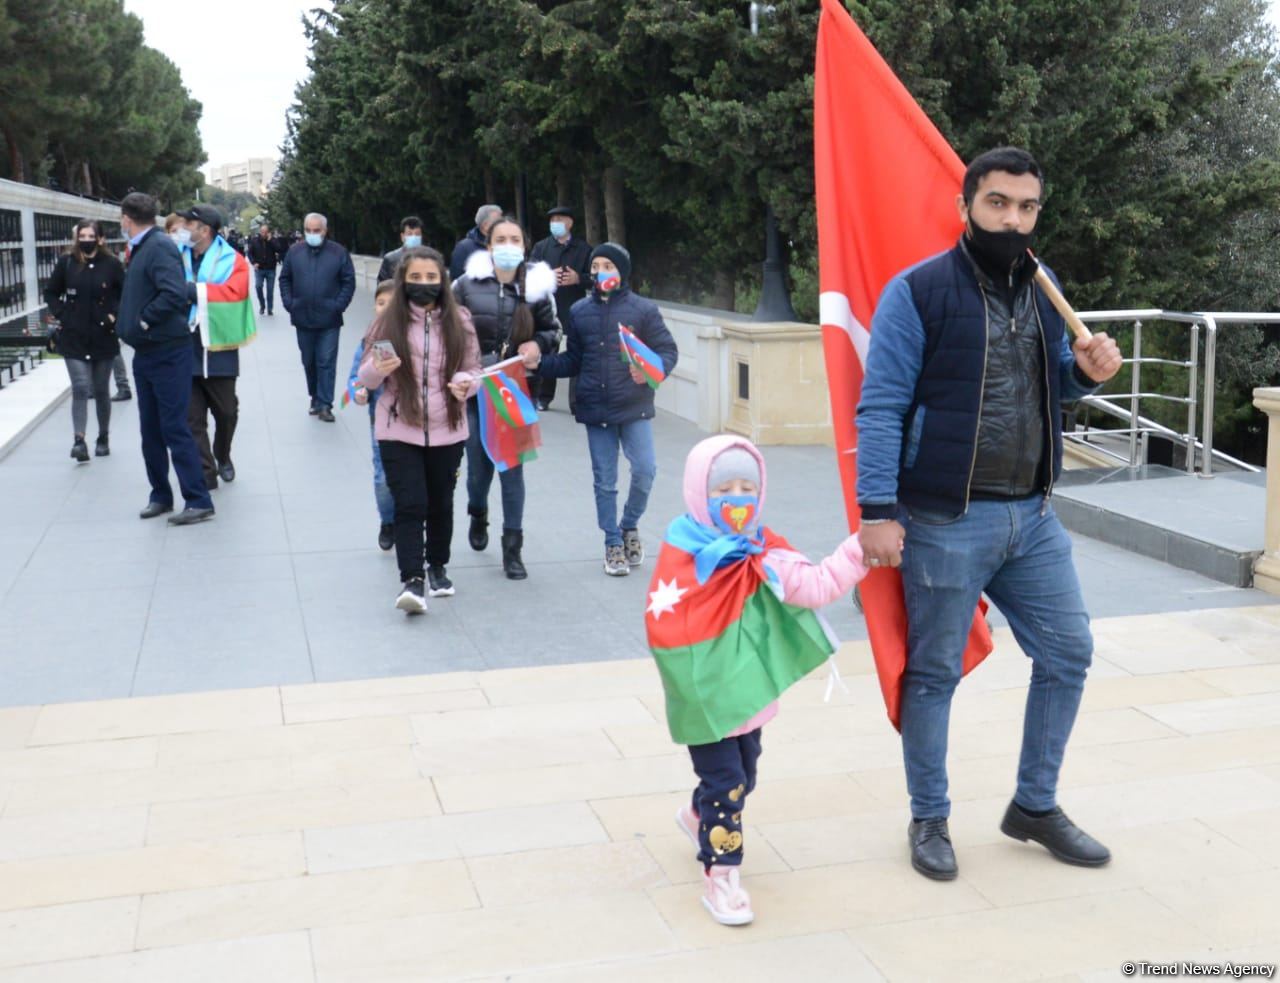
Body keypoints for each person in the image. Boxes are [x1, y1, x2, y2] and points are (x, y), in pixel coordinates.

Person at [855, 147, 1124, 881]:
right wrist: (876, 510)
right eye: (999, 202)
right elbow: (879, 407)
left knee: (1069, 651)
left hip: (1033, 517)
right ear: (965, 204)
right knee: (934, 672)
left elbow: (1048, 385)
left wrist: (1082, 371)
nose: (1013, 218)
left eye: (1027, 207)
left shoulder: (1044, 286)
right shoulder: (917, 293)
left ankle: (1034, 805)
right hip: (946, 517)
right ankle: (930, 816)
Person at [648, 435, 868, 926]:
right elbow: (666, 626)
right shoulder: (683, 550)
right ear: (700, 492)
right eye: (725, 487)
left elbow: (814, 586)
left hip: (748, 700)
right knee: (726, 787)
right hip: (707, 703)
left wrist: (857, 550)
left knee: (745, 776)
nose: (738, 498)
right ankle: (721, 876)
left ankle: (696, 814)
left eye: (748, 486)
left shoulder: (765, 551)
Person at [529, 243, 678, 577]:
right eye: (595, 266)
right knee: (605, 481)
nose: (599, 272)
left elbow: (667, 351)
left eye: (607, 265)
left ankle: (629, 526)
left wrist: (652, 370)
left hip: (635, 406)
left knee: (645, 471)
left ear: (622, 271)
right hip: (596, 409)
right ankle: (612, 541)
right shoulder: (580, 311)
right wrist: (540, 364)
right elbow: (573, 360)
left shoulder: (644, 310)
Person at [356, 247, 481, 612]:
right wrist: (380, 368)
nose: (424, 285)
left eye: (431, 278)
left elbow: (475, 370)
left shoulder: (460, 319)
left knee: (440, 502)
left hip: (448, 427)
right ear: (403, 281)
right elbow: (364, 375)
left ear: (442, 280)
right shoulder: (385, 323)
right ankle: (412, 580)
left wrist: (464, 383)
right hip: (398, 427)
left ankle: (437, 566)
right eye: (416, 278)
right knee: (410, 503)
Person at [453, 215, 561, 580]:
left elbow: (552, 331)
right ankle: (477, 511)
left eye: (516, 239)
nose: (509, 246)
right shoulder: (465, 286)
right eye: (502, 239)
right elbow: (448, 332)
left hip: (513, 390)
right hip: (474, 391)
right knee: (479, 470)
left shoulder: (535, 288)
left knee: (512, 473)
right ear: (489, 244)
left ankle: (512, 549)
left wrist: (537, 344)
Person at [114, 191, 214, 525]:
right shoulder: (144, 247)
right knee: (151, 428)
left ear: (127, 218)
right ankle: (160, 495)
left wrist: (143, 320)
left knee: (174, 426)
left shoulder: (157, 247)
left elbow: (173, 293)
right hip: (148, 352)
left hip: (167, 351)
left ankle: (198, 500)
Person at [178, 204, 249, 489]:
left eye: (189, 224)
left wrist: (193, 291)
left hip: (219, 345)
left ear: (204, 230)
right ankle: (206, 473)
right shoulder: (175, 254)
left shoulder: (233, 260)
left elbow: (235, 293)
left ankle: (223, 454)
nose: (183, 229)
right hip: (184, 346)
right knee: (192, 417)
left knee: (227, 411)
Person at [43, 219, 125, 462]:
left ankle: (103, 436)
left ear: (100, 239)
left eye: (91, 235)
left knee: (101, 390)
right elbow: (51, 292)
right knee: (80, 388)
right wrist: (62, 314)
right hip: (74, 335)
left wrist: (113, 315)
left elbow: (124, 292)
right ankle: (79, 440)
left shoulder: (111, 264)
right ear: (77, 238)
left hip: (103, 336)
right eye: (83, 235)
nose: (86, 240)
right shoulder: (66, 263)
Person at [279, 212, 356, 422]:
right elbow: (285, 278)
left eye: (317, 230)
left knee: (326, 361)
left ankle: (325, 404)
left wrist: (338, 305)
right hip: (302, 317)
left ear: (325, 230)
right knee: (309, 361)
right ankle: (314, 397)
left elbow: (348, 281)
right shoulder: (294, 252)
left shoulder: (338, 252)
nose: (313, 234)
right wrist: (290, 303)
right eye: (309, 230)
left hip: (329, 319)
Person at [346, 280, 398, 551]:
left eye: (392, 303)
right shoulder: (373, 341)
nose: (385, 309)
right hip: (381, 419)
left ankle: (408, 523)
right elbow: (355, 378)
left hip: (413, 420)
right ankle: (387, 521)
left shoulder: (418, 338)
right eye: (380, 303)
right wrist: (359, 391)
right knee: (383, 478)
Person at [529, 205, 593, 411]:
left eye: (559, 219)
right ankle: (544, 397)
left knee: (577, 353)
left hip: (575, 306)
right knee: (549, 352)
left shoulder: (584, 249)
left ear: (570, 223)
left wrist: (578, 279)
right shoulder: (541, 247)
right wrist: (548, 276)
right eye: (552, 220)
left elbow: (593, 278)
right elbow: (528, 273)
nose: (555, 224)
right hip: (548, 308)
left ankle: (577, 401)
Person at [449, 204, 502, 281]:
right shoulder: (464, 248)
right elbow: (456, 279)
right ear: (485, 225)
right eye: (498, 221)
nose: (503, 224)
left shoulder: (504, 245)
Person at [377, 216, 425, 284]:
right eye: (410, 234)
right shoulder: (391, 259)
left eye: (417, 234)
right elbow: (382, 287)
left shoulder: (429, 258)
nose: (414, 237)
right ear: (402, 237)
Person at [246, 223, 281, 315]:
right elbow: (249, 253)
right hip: (259, 269)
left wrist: (271, 241)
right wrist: (254, 263)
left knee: (270, 290)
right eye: (262, 232)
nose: (263, 234)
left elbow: (279, 249)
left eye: (265, 232)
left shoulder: (273, 240)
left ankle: (270, 308)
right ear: (260, 232)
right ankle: (262, 305)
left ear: (268, 232)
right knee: (258, 286)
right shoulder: (255, 241)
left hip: (270, 269)